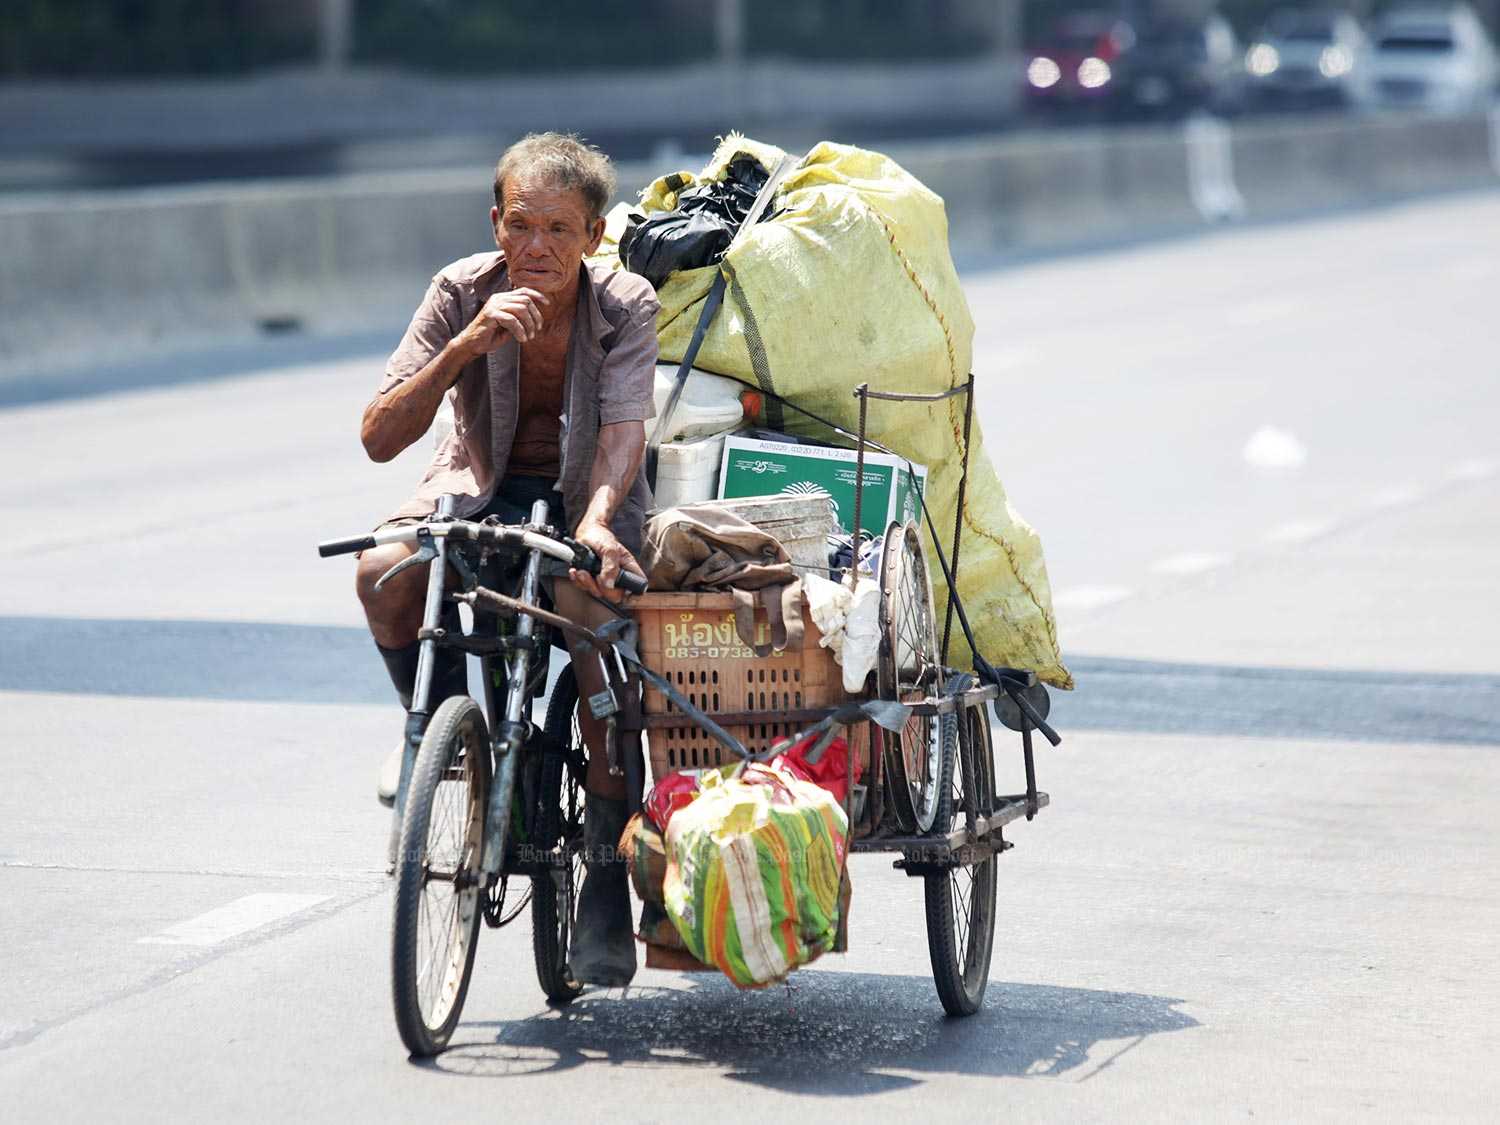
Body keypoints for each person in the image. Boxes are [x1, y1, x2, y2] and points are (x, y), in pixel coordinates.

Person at [355, 132, 657, 987]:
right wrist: (466, 347)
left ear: (594, 237)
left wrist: (598, 523)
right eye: (522, 225)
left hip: (582, 503)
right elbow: (378, 436)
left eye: (560, 230)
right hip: (472, 489)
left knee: (596, 625)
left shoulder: (624, 302)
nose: (538, 247)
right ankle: (454, 746)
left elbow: (627, 427)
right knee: (380, 573)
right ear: (496, 223)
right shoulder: (460, 291)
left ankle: (603, 871)